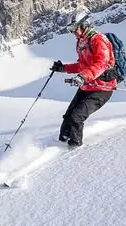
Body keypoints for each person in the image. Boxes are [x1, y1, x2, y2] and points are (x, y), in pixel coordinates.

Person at [50, 9, 117, 147]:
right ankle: (61, 143)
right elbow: (82, 65)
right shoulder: (81, 42)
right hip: (87, 85)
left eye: (74, 28)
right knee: (68, 117)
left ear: (84, 24)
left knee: (76, 117)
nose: (73, 32)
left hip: (102, 88)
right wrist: (63, 68)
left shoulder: (99, 40)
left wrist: (83, 76)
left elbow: (101, 64)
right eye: (70, 29)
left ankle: (73, 151)